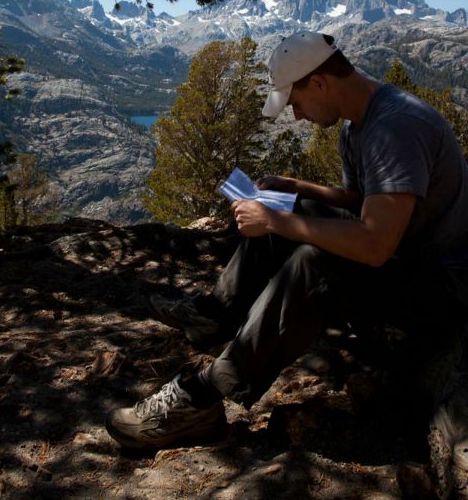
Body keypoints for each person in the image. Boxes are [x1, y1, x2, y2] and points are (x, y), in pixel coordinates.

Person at [106, 31, 468, 449]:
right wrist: (299, 189)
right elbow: (366, 203)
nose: (296, 116)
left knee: (316, 262)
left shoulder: (397, 128)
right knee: (287, 210)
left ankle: (203, 397)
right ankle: (217, 315)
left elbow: (374, 244)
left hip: (442, 286)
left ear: (319, 82)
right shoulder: (360, 124)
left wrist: (276, 221)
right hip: (406, 256)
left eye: (295, 103)